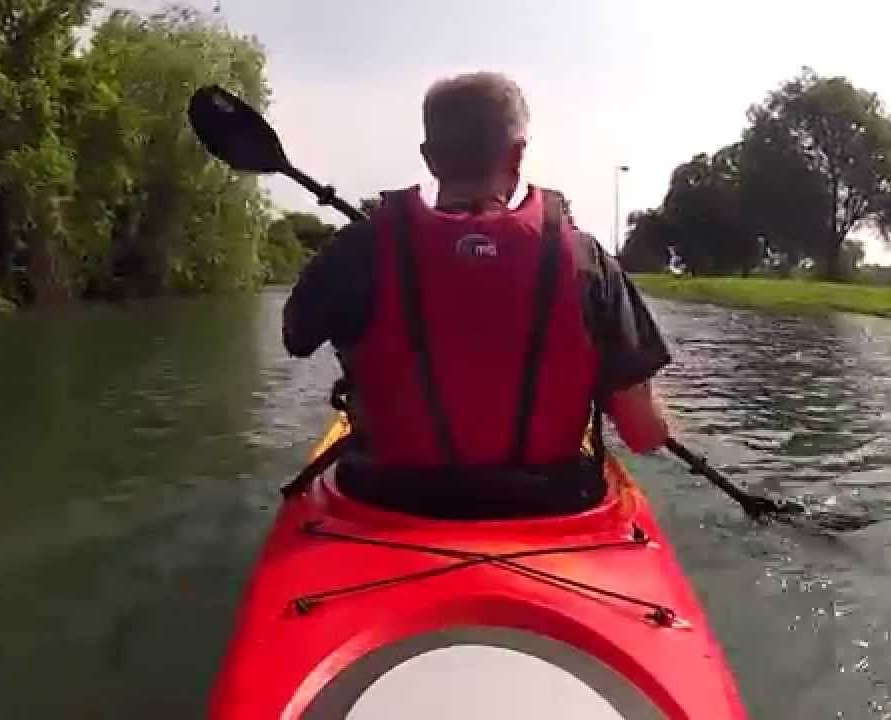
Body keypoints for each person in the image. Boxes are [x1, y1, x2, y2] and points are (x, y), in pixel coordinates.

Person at [282, 72, 673, 518]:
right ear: (518, 154)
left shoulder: (358, 249)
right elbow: (642, 433)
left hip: (384, 498)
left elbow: (296, 336)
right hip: (552, 505)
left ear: (430, 159)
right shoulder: (586, 259)